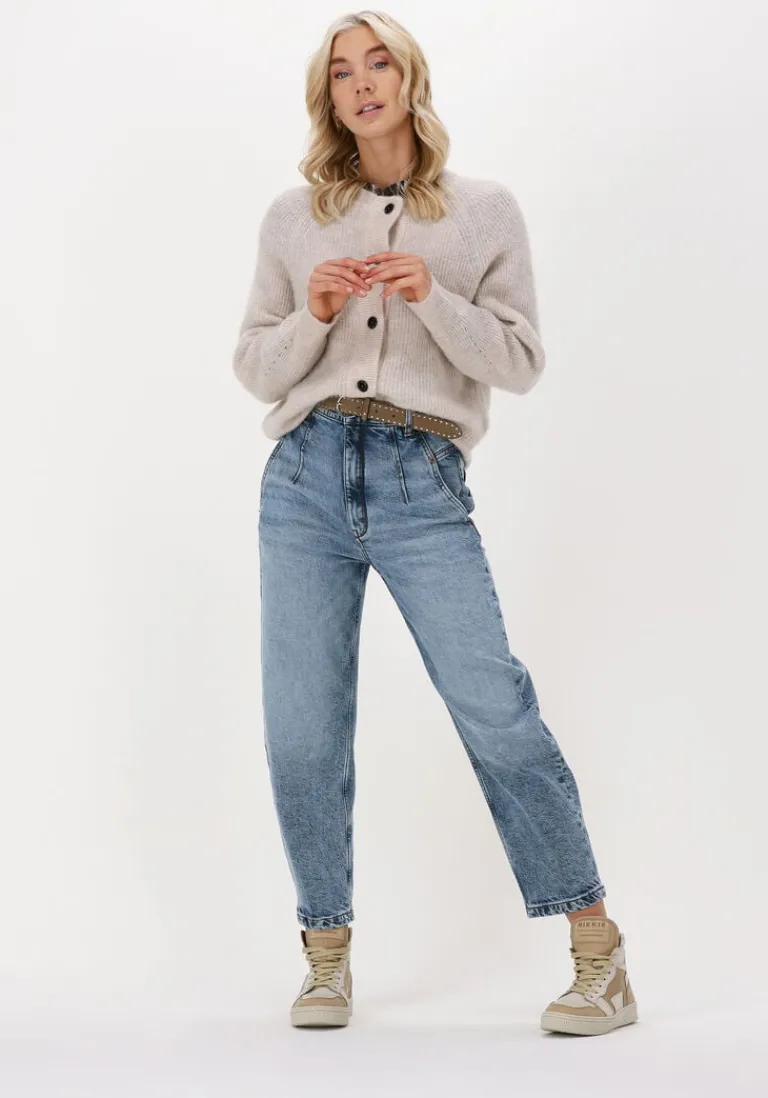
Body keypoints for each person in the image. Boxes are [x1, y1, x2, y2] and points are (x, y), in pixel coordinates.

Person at [232, 10, 638, 1037]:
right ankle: (326, 959)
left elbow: (520, 362)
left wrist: (434, 296)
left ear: (411, 78)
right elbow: (256, 369)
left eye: (380, 62)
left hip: (421, 480)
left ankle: (599, 956)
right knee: (301, 730)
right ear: (328, 99)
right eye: (342, 72)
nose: (363, 83)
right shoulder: (293, 218)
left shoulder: (483, 211)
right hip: (304, 481)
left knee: (496, 710)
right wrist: (314, 315)